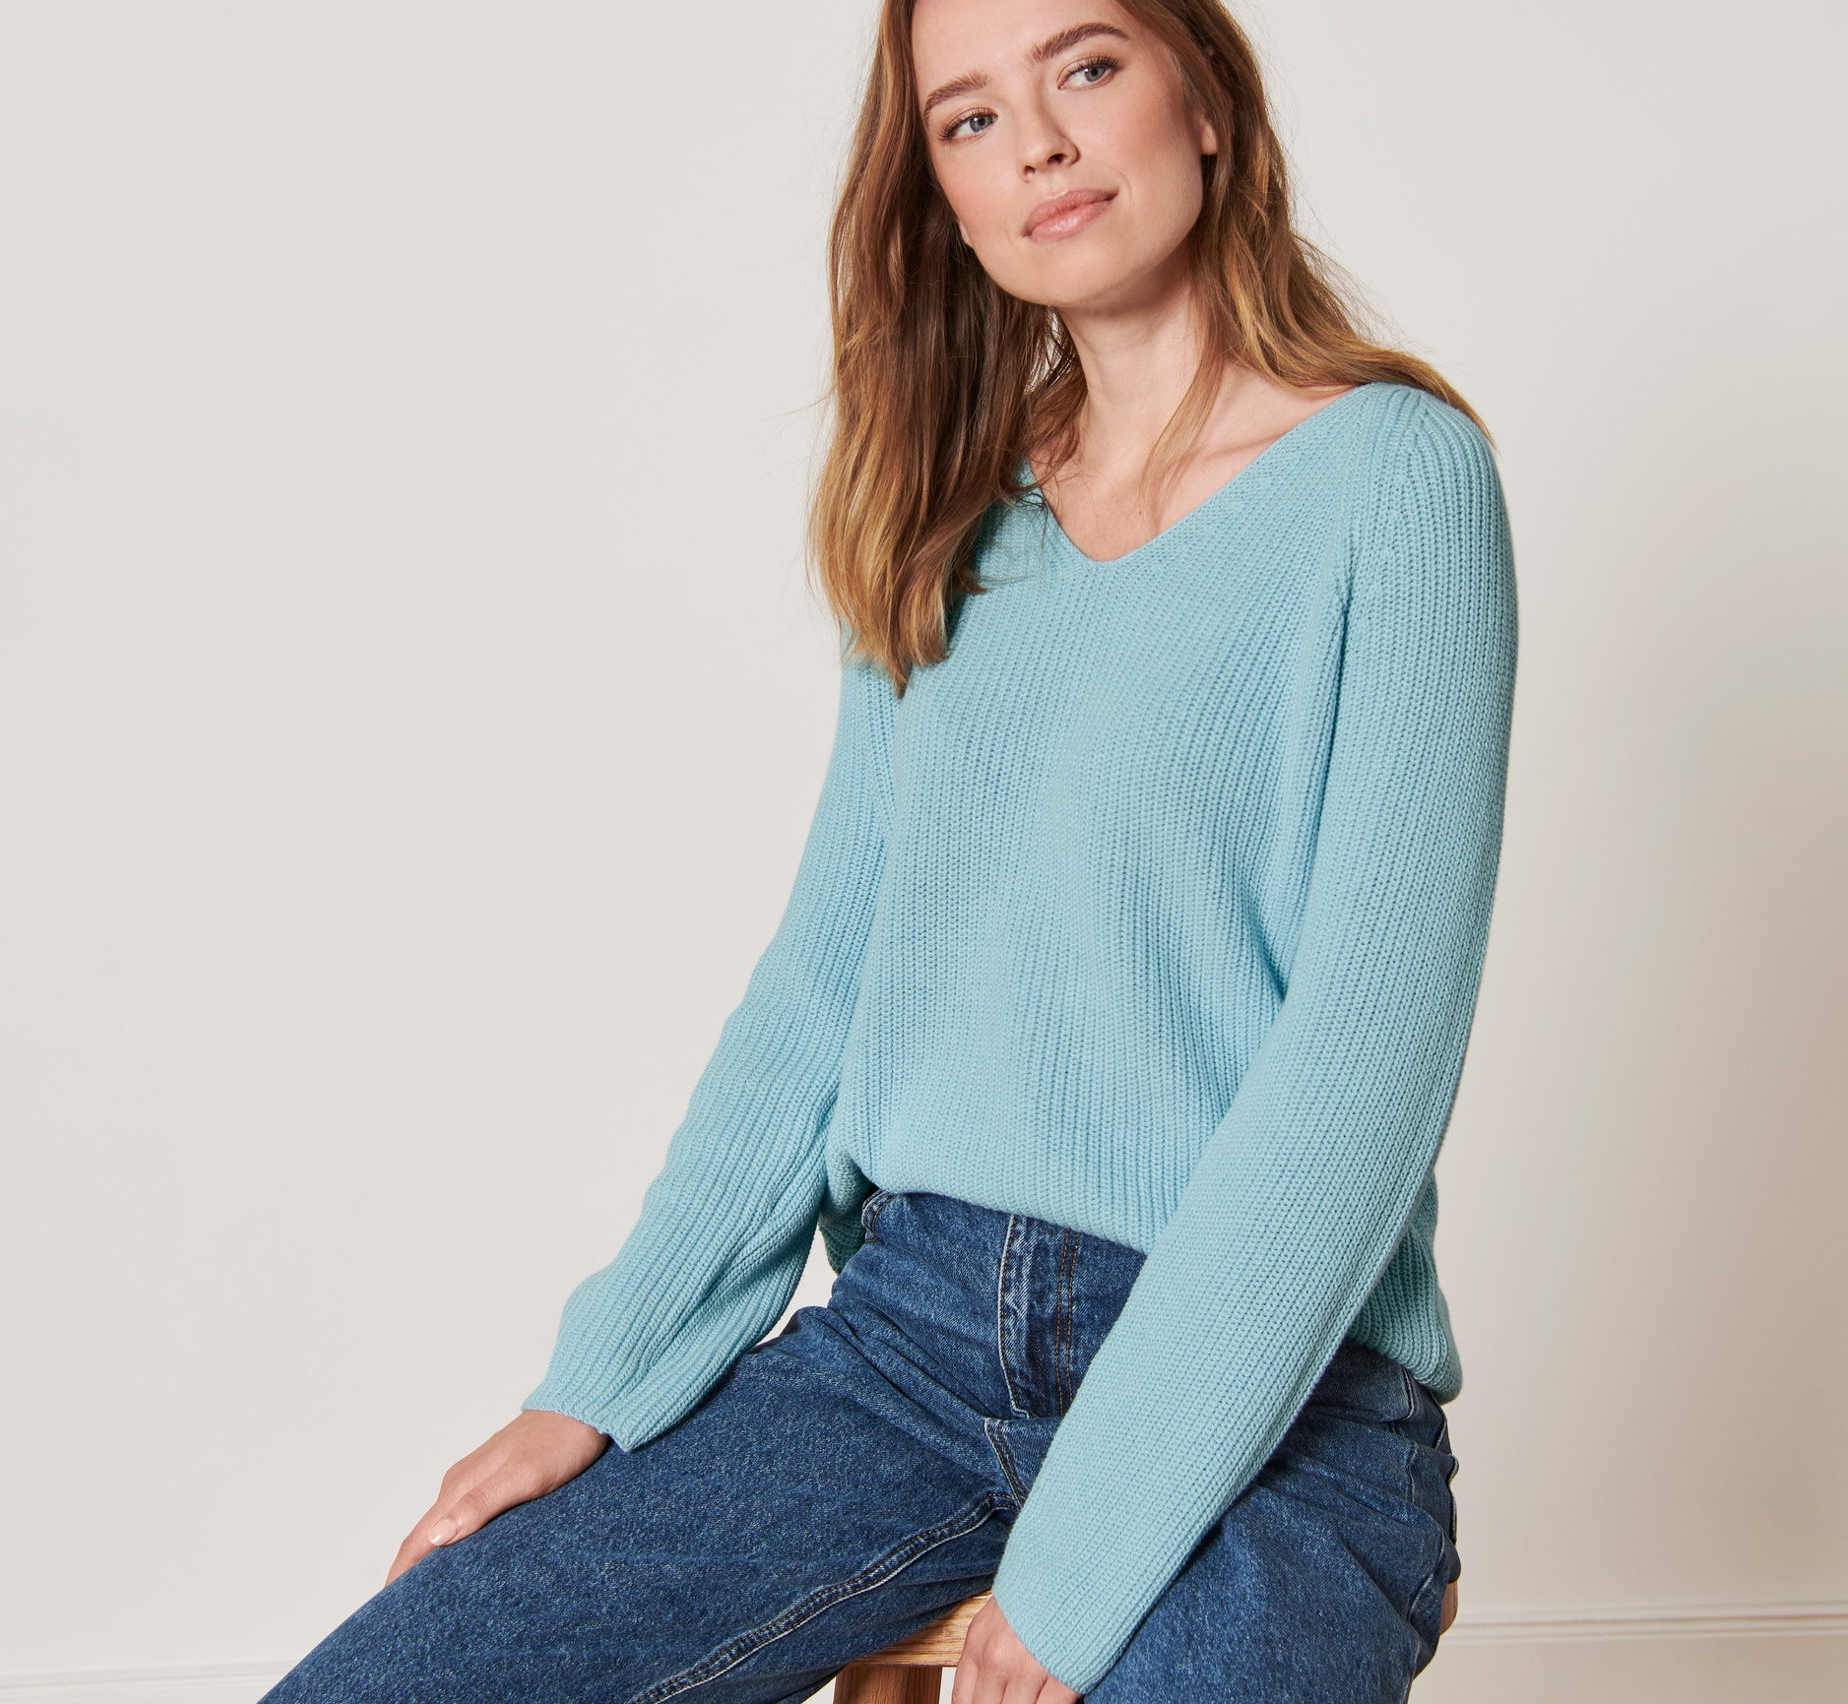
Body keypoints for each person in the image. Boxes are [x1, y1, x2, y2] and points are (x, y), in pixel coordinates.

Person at [263, 0, 1516, 1698]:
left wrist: (1082, 1568)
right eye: (970, 119)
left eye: (1086, 67)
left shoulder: (1400, 484)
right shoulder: (948, 514)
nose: (1043, 147)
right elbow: (824, 985)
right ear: (938, 185)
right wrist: (607, 1370)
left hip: (1280, 1394)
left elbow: (1355, 1081)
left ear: (1205, 95)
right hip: (914, 1349)